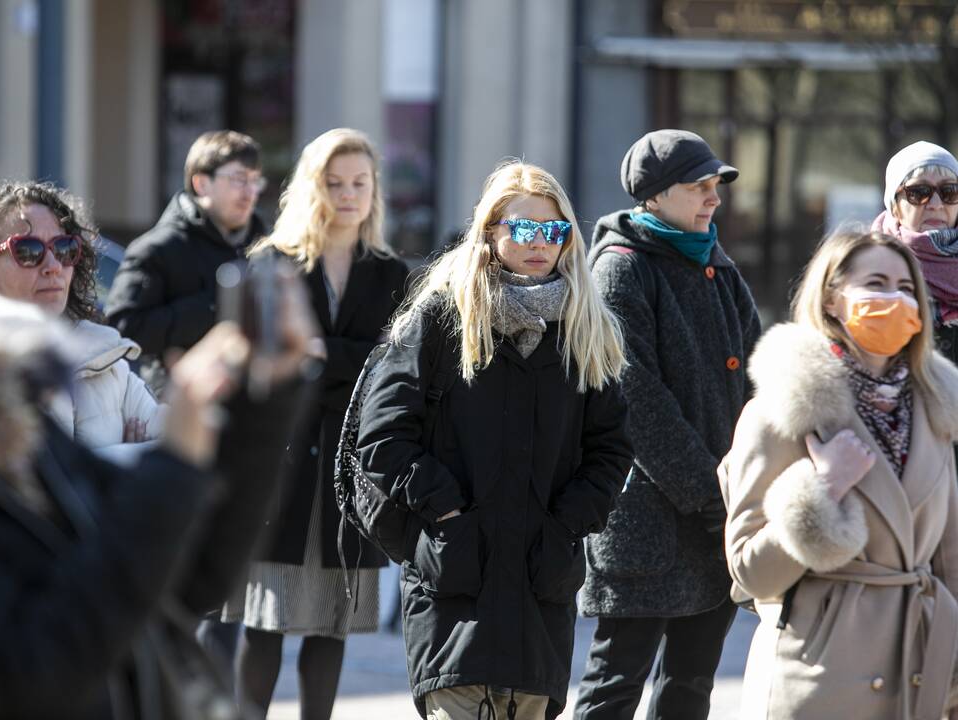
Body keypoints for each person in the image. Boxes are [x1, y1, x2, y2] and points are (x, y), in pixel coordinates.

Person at [0, 114, 314, 719]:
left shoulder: (3, 414)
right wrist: (174, 464)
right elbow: (36, 671)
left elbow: (186, 584)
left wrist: (263, 402)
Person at [357, 161, 634, 720]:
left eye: (554, 231)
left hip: (541, 589)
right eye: (525, 229)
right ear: (490, 233)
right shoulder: (440, 317)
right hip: (454, 585)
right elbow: (382, 438)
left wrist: (567, 524)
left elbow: (611, 450)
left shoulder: (585, 328)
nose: (541, 244)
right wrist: (448, 512)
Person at [719, 230, 958, 720]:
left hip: (918, 672)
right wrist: (823, 488)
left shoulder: (936, 408)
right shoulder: (783, 409)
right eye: (876, 283)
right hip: (818, 679)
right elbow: (749, 573)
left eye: (907, 288)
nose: (895, 299)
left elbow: (949, 558)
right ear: (831, 298)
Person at [575, 129, 762, 719]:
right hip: (647, 523)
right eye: (698, 186)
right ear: (653, 196)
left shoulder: (714, 261)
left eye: (716, 186)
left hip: (720, 514)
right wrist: (712, 495)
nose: (713, 198)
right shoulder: (619, 268)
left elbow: (759, 373)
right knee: (615, 684)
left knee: (690, 687)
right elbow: (638, 401)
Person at [231, 127, 411, 720]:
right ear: (313, 188)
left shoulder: (389, 273)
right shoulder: (271, 262)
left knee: (331, 623)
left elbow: (390, 366)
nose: (349, 194)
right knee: (264, 620)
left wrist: (317, 352)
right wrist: (343, 356)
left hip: (349, 462)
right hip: (277, 459)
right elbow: (261, 355)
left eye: (360, 182)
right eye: (335, 183)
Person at [0, 181, 164, 451]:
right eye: (28, 251)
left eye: (64, 248)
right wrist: (126, 460)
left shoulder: (108, 356)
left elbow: (171, 445)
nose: (54, 266)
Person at [105, 130, 271, 394]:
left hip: (253, 403)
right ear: (202, 184)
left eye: (255, 181)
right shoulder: (157, 248)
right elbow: (123, 330)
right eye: (239, 179)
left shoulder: (268, 247)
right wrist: (217, 306)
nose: (250, 192)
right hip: (178, 405)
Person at [872, 141, 958, 366]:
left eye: (949, 191)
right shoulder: (866, 267)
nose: (936, 204)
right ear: (894, 206)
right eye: (919, 192)